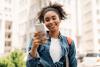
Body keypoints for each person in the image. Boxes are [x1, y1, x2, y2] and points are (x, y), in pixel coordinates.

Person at [26, 3, 77, 67]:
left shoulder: (69, 42)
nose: (51, 22)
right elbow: (30, 65)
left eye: (54, 18)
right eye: (47, 20)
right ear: (44, 22)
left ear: (60, 19)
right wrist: (34, 48)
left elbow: (73, 64)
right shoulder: (37, 40)